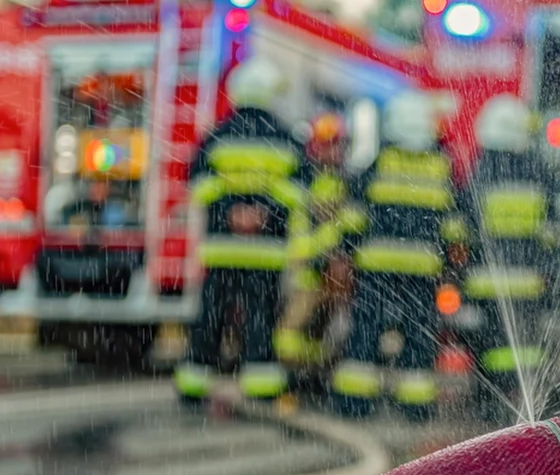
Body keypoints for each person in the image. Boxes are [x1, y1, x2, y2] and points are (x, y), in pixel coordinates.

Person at [173, 57, 310, 405]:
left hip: (222, 248)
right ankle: (261, 387)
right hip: (265, 253)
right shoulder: (285, 137)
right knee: (260, 320)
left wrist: (229, 211)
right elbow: (300, 191)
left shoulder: (218, 134)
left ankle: (193, 384)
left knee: (210, 318)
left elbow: (198, 184)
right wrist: (264, 213)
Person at [329, 90, 466, 419]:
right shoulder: (441, 168)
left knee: (366, 331)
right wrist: (452, 265)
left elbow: (354, 215)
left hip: (376, 269)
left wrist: (345, 250)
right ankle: (414, 405)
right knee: (419, 337)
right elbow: (454, 226)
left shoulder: (379, 163)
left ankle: (355, 403)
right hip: (421, 272)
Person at [461, 94, 559, 413]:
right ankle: (522, 403)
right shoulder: (537, 170)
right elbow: (553, 228)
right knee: (524, 347)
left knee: (489, 343)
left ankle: (489, 401)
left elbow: (465, 222)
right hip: (528, 281)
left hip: (487, 281)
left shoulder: (483, 168)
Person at [275, 111, 357, 375]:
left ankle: (315, 375)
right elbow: (300, 232)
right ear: (314, 147)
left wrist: (342, 258)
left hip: (334, 274)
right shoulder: (302, 183)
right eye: (327, 144)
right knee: (291, 333)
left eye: (338, 144)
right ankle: (298, 375)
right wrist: (324, 256)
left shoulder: (349, 183)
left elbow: (351, 226)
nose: (334, 151)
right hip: (306, 274)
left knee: (328, 332)